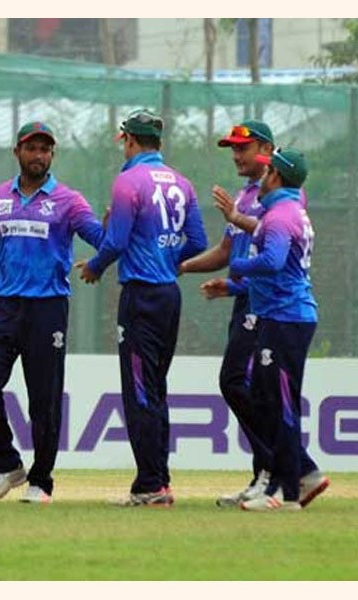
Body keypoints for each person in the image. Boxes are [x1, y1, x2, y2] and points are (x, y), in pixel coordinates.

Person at [179, 121, 328, 508]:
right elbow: (232, 248)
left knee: (251, 388)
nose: (236, 155)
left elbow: (268, 255)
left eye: (243, 148)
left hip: (275, 309)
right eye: (232, 147)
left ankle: (283, 477)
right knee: (258, 391)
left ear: (268, 154)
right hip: (258, 301)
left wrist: (239, 272)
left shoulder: (282, 202)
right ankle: (282, 474)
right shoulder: (254, 199)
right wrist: (188, 268)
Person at [0, 121, 104, 504]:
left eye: (45, 149)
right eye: (31, 148)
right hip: (4, 307)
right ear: (17, 152)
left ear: (51, 155)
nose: (38, 155)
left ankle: (41, 481)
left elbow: (100, 237)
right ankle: (6, 466)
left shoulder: (69, 201)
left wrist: (113, 237)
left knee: (44, 399)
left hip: (48, 308)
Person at [77, 109, 208, 507]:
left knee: (139, 392)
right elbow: (198, 241)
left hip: (141, 296)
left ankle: (150, 484)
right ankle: (159, 481)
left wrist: (96, 267)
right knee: (156, 388)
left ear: (130, 141)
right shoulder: (182, 184)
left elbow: (115, 241)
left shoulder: (127, 181)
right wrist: (168, 260)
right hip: (169, 295)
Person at [224, 148, 326, 511]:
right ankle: (291, 487)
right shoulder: (283, 211)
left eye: (268, 172)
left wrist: (238, 265)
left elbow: (273, 261)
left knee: (279, 403)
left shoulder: (281, 215)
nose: (262, 176)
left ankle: (285, 493)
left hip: (286, 318)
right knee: (270, 400)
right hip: (280, 315)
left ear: (276, 177)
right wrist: (233, 287)